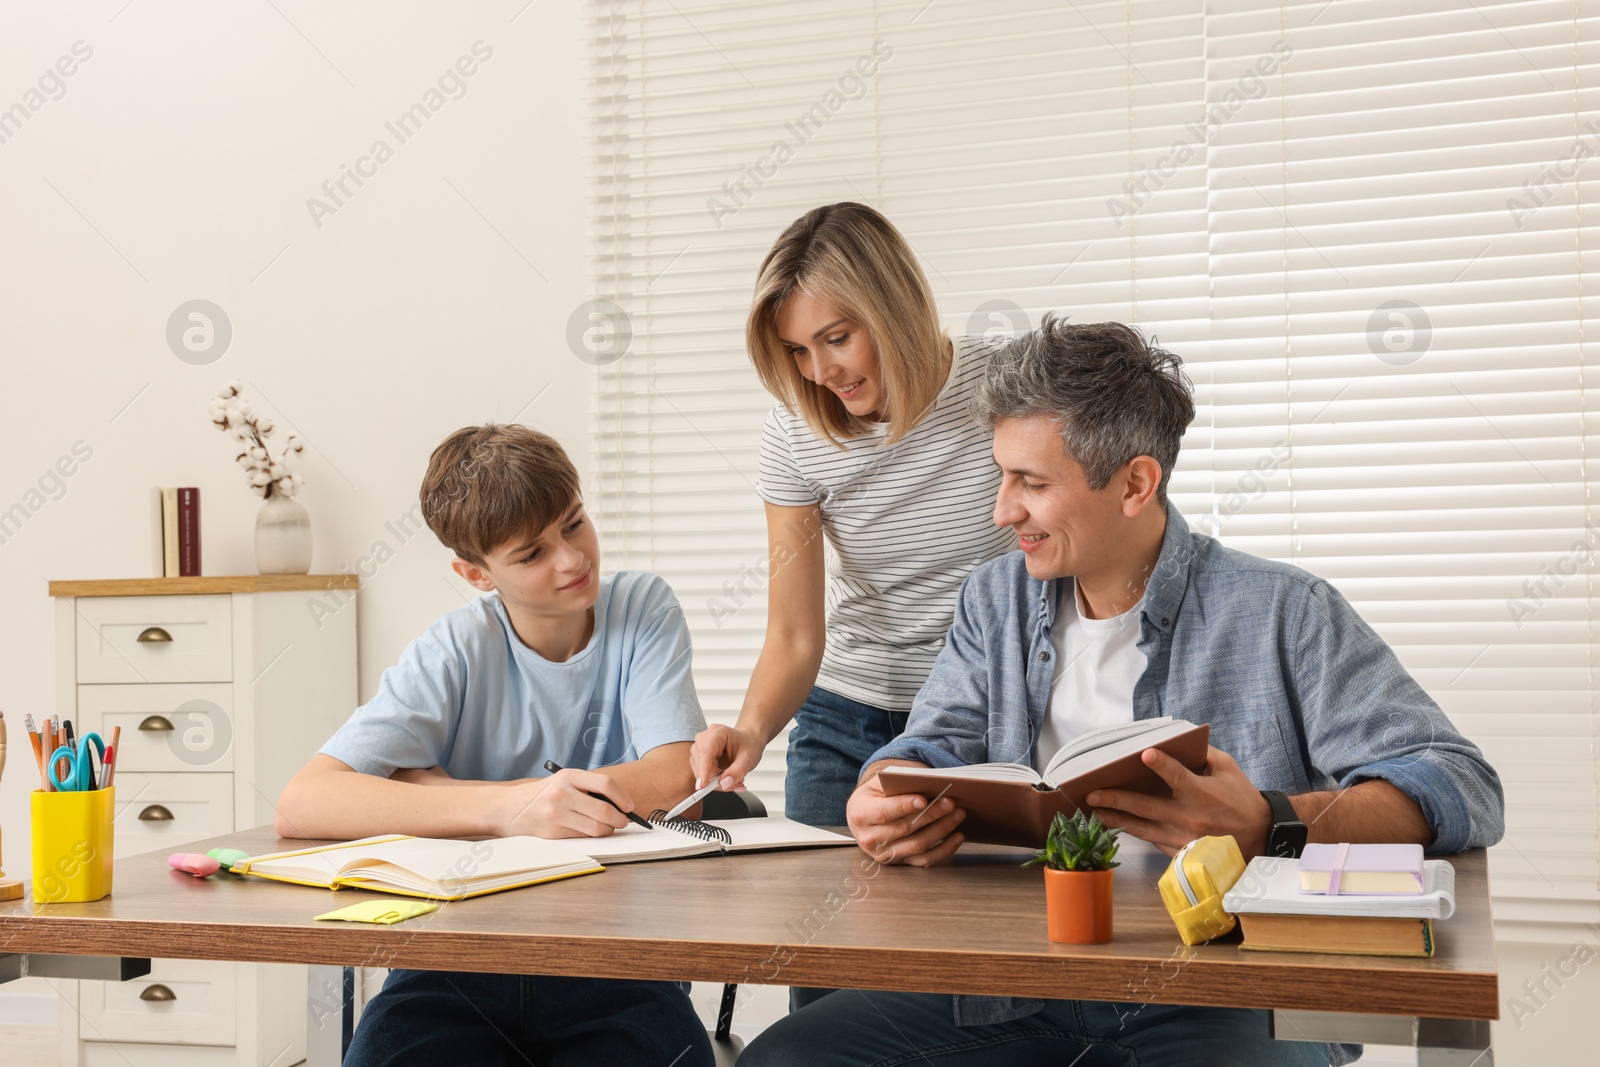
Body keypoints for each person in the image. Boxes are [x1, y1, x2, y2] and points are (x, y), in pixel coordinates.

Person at [741, 317, 1505, 1067]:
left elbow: (1461, 783)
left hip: (1223, 990)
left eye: (1031, 483)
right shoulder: (994, 598)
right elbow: (933, 740)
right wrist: (883, 790)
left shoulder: (1284, 610)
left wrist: (1272, 821)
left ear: (1136, 482)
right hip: (1019, 981)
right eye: (1002, 475)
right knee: (788, 1055)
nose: (1002, 509)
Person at [275, 423, 713, 1067]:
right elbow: (304, 802)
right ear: (476, 574)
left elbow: (678, 781)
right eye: (531, 554)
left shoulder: (642, 607)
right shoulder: (453, 648)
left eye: (574, 523)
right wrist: (510, 808)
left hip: (616, 961)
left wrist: (432, 790)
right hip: (450, 965)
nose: (571, 559)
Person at [689, 202, 1014, 836]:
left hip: (980, 715)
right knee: (822, 923)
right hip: (845, 718)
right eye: (797, 350)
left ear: (896, 308)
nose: (819, 371)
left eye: (837, 338)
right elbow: (793, 633)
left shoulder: (1006, 387)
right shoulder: (793, 434)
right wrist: (748, 732)